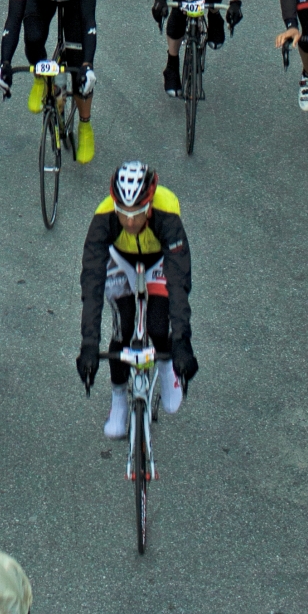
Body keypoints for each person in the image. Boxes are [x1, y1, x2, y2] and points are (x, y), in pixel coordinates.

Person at [76, 159, 196, 441]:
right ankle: (118, 400)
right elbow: (92, 283)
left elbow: (178, 283)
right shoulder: (104, 216)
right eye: (123, 213)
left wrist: (182, 343)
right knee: (124, 327)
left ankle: (166, 367)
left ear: (150, 205)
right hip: (120, 260)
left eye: (138, 213)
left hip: (158, 261)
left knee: (157, 324)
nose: (130, 221)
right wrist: (89, 345)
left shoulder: (167, 211)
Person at [0, 0, 98, 160]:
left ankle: (85, 126)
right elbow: (12, 21)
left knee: (77, 66)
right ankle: (42, 79)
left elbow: (89, 23)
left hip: (74, 0)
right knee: (32, 37)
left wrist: (88, 66)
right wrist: (4, 63)